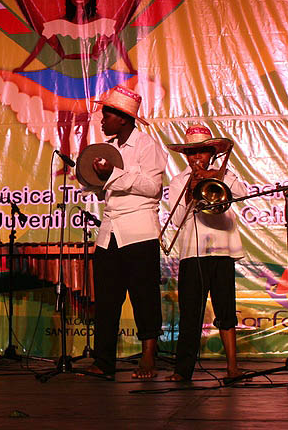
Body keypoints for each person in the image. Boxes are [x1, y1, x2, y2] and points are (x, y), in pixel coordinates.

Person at [87, 86, 165, 379]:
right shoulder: (109, 149)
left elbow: (152, 187)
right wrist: (94, 180)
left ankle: (148, 357)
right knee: (106, 300)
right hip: (110, 231)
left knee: (144, 297)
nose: (102, 119)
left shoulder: (146, 145)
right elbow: (106, 190)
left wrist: (113, 175)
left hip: (139, 230)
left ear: (122, 117)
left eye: (107, 114)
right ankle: (104, 362)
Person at [162, 126, 248, 383]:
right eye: (191, 153)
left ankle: (232, 368)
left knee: (226, 311)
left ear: (212, 153)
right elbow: (177, 219)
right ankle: (183, 370)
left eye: (202, 151)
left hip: (223, 249)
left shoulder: (225, 174)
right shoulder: (179, 181)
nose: (196, 157)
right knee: (190, 314)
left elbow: (242, 193)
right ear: (186, 156)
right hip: (193, 253)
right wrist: (190, 190)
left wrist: (216, 177)